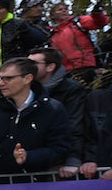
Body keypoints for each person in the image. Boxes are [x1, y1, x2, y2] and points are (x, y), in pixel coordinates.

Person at [0, 57, 71, 176]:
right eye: (0, 78)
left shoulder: (52, 109)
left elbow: (59, 148)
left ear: (27, 78)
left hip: (35, 182)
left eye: (9, 78)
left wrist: (29, 156)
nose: (1, 83)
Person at [28, 46, 88, 178]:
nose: (27, 67)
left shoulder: (72, 90)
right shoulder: (25, 90)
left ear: (50, 67)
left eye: (34, 64)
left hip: (62, 163)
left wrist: (73, 159)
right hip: (32, 161)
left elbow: (75, 126)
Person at [0, 0, 48, 101]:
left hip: (18, 72)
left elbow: (39, 41)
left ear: (7, 10)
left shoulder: (20, 25)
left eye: (0, 8)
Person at [48, 1, 110, 87]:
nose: (64, 11)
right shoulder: (52, 33)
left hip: (86, 67)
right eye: (60, 10)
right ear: (52, 15)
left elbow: (99, 23)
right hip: (65, 71)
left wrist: (97, 14)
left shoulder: (77, 22)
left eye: (65, 9)